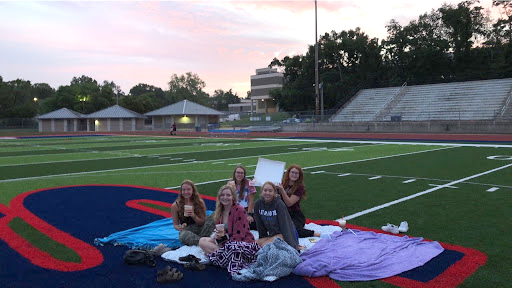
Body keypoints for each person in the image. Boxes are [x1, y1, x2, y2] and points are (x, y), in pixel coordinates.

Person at [199, 184, 259, 275]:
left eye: (228, 195)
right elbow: (221, 234)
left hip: (241, 243)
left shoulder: (239, 210)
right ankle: (221, 255)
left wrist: (224, 241)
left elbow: (239, 236)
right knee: (202, 241)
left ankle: (219, 255)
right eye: (222, 195)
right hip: (226, 243)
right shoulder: (219, 212)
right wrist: (217, 237)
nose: (225, 197)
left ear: (233, 197)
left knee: (234, 248)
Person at [278, 164, 322, 238]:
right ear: (288, 173)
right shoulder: (283, 183)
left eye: (296, 173)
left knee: (294, 230)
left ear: (299, 175)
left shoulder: (299, 187)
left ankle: (315, 234)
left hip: (295, 215)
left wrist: (282, 190)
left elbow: (289, 203)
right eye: (292, 172)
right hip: (282, 213)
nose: (294, 175)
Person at [254, 181, 298, 250]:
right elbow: (260, 225)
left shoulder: (279, 204)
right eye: (265, 190)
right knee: (254, 245)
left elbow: (286, 226)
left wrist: (292, 246)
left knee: (264, 246)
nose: (267, 193)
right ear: (262, 191)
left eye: (270, 191)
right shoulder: (258, 204)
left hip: (285, 234)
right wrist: (263, 238)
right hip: (273, 235)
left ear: (274, 193)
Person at [171, 180, 213, 246]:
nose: (186, 192)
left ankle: (202, 240)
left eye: (188, 189)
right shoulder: (176, 205)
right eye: (183, 190)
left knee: (214, 215)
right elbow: (175, 225)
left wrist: (193, 215)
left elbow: (202, 222)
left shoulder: (199, 202)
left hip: (201, 228)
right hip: (188, 230)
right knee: (183, 235)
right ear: (181, 192)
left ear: (193, 190)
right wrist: (179, 227)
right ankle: (204, 242)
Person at [227, 165, 257, 229]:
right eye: (238, 172)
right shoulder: (231, 184)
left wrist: (249, 214)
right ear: (234, 174)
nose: (239, 174)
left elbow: (251, 200)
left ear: (244, 174)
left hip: (246, 210)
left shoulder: (248, 183)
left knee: (250, 223)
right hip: (235, 211)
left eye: (241, 173)